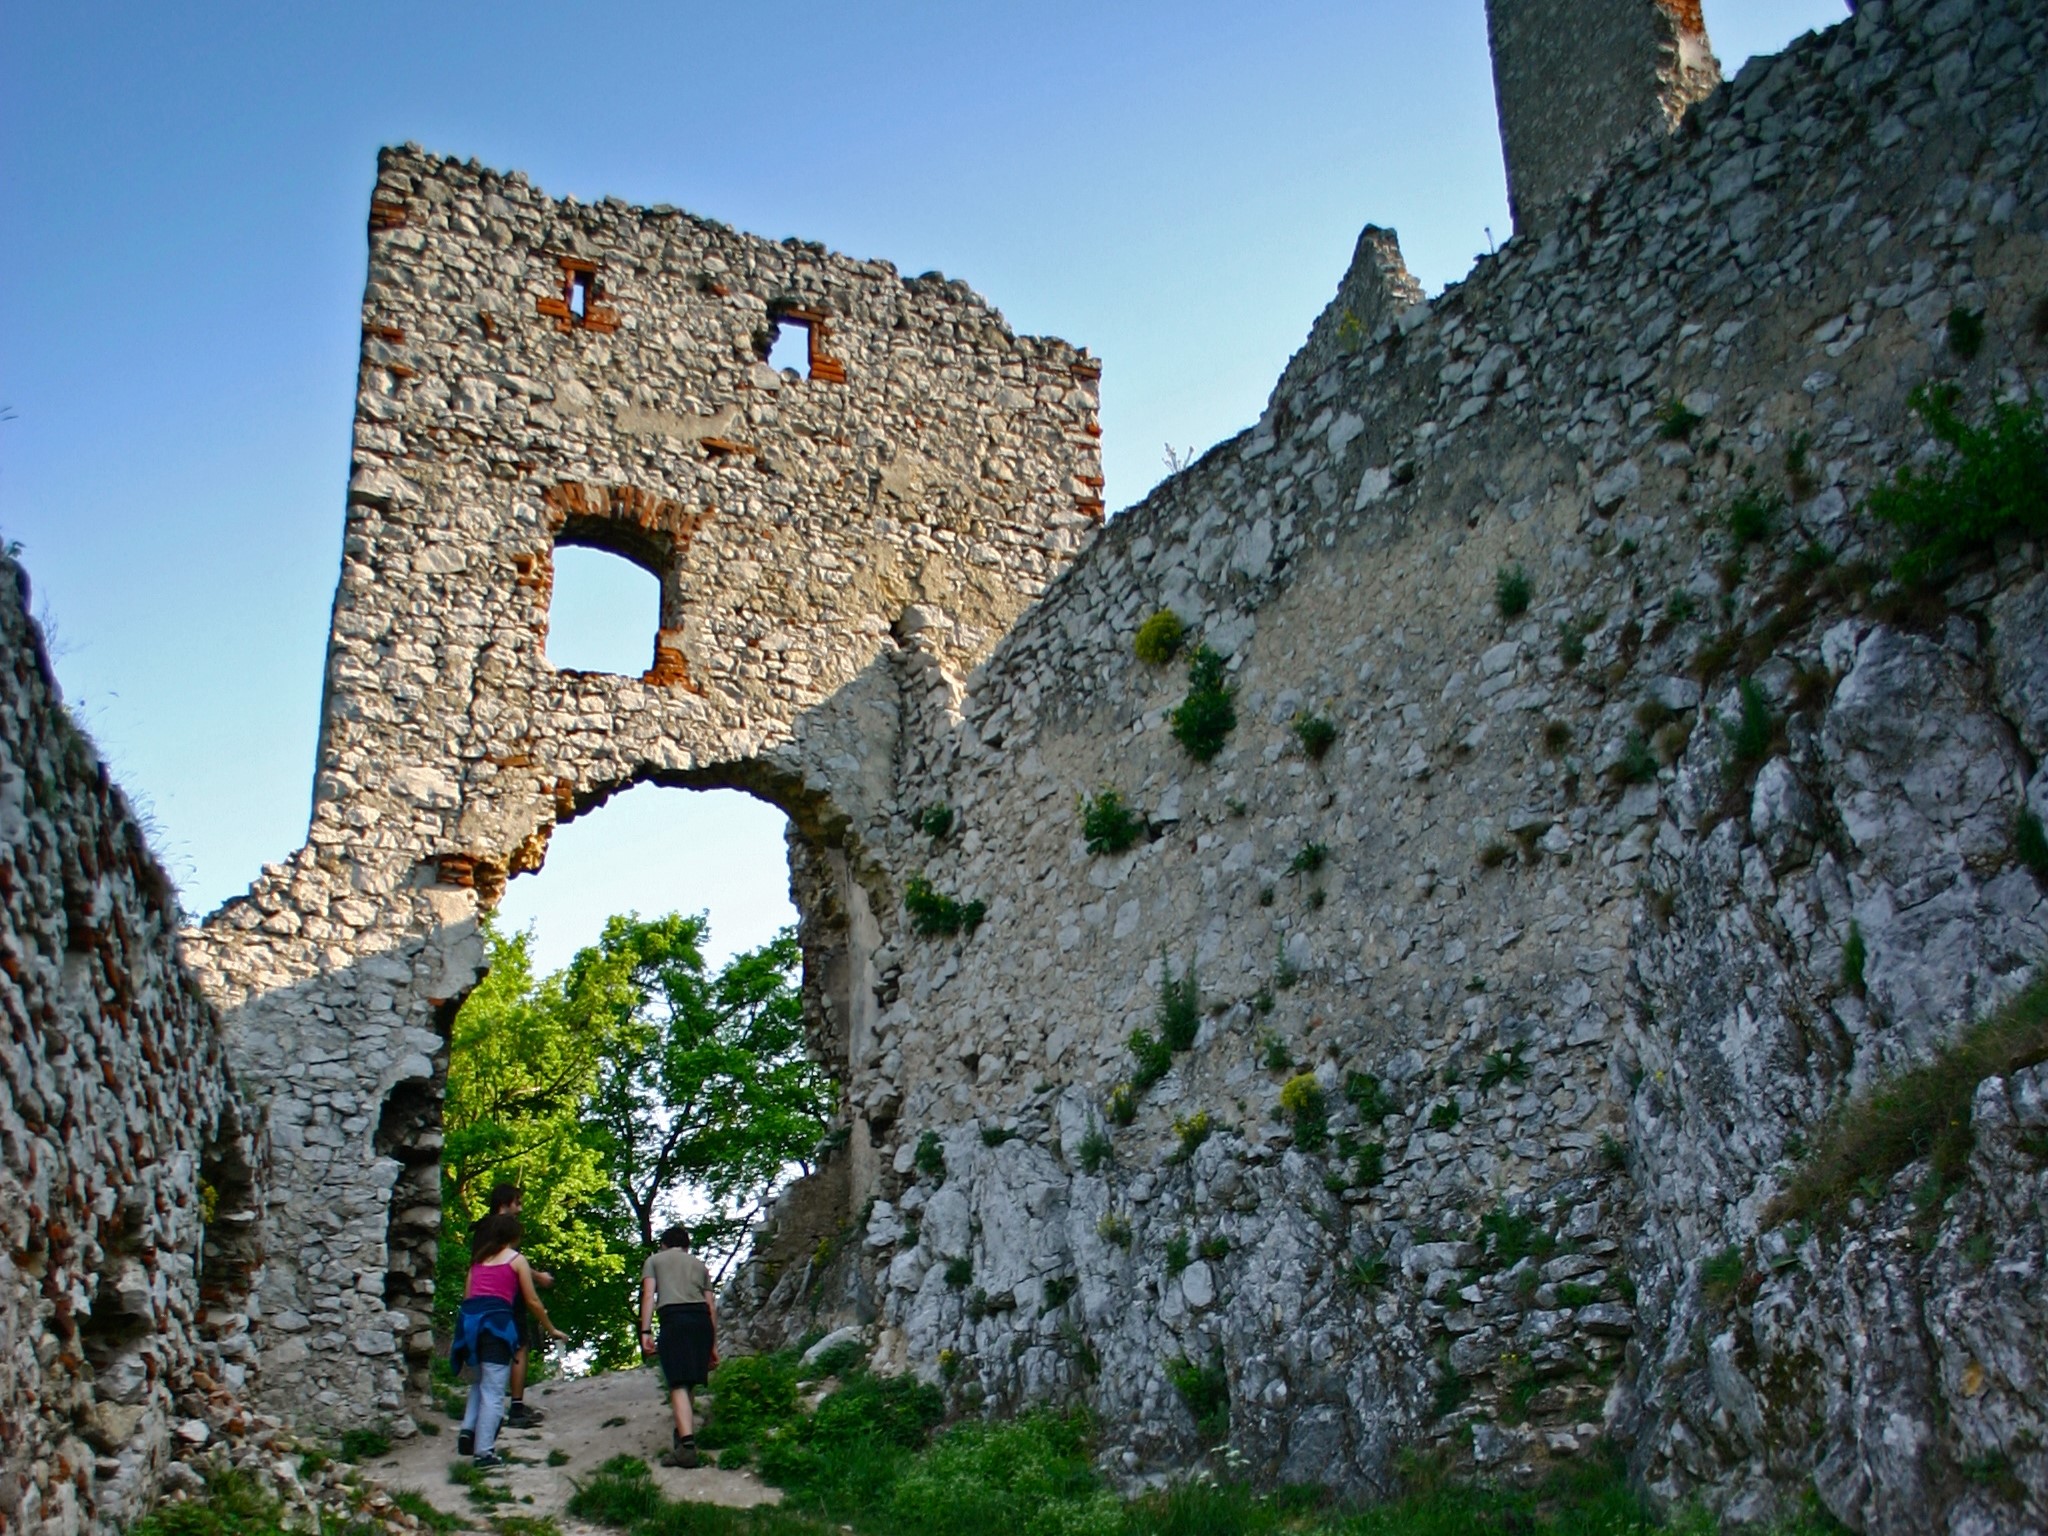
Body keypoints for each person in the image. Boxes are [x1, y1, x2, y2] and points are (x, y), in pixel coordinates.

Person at [450, 1213, 567, 1469]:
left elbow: (468, 1298)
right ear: (514, 1236)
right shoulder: (516, 1260)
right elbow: (532, 1300)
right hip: (497, 1327)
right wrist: (551, 1329)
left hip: (471, 1328)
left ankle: (468, 1431)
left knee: (479, 1383)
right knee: (493, 1391)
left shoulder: (478, 1262)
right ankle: (484, 1452)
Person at [639, 1224, 718, 1468]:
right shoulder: (699, 1265)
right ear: (687, 1246)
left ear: (663, 1244)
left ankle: (686, 1446)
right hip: (701, 1321)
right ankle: (683, 1434)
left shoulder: (654, 1260)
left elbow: (648, 1295)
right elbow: (711, 1306)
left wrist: (645, 1331)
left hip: (674, 1320)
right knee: (689, 1380)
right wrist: (713, 1344)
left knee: (677, 1382)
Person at [488, 1182, 555, 1427]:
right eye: (517, 1203)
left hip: (484, 1297)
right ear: (504, 1203)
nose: (520, 1208)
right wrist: (537, 1277)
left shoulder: (482, 1228)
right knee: (519, 1346)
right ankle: (515, 1407)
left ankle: (489, 1409)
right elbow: (510, 1261)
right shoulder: (503, 1230)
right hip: (509, 1296)